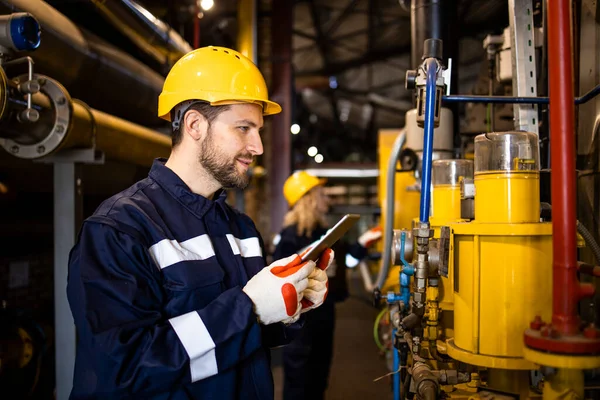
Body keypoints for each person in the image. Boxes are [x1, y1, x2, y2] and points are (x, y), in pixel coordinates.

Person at [66, 46, 333, 400]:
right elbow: (123, 370)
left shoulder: (240, 229)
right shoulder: (119, 230)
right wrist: (247, 307)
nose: (258, 147)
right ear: (194, 124)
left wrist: (287, 307)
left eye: (258, 130)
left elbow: (241, 340)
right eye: (244, 128)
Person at [273, 171, 382, 400]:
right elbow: (282, 282)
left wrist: (364, 242)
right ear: (309, 198)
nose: (327, 199)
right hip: (301, 320)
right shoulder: (290, 237)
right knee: (299, 381)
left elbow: (346, 260)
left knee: (319, 377)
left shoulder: (325, 233)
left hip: (325, 313)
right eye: (322, 194)